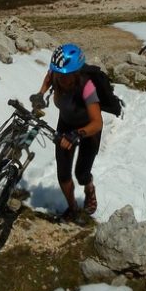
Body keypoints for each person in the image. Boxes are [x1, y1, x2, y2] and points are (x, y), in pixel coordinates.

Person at [30, 43, 103, 221]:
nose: (60, 79)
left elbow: (97, 122)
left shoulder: (87, 87)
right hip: (65, 123)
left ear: (76, 73)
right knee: (63, 173)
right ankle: (73, 208)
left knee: (81, 173)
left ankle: (89, 188)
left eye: (66, 76)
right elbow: (49, 78)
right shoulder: (57, 72)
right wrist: (40, 94)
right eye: (58, 74)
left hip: (88, 130)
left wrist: (77, 134)